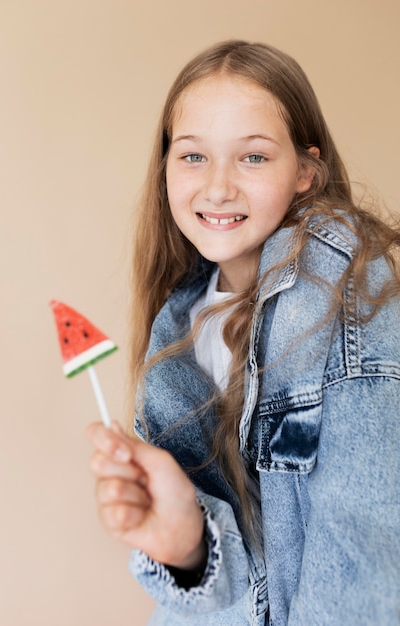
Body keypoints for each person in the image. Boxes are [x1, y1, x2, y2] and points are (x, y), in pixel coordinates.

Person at [87, 40, 400, 625]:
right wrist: (186, 549)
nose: (218, 186)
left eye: (253, 157)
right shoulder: (175, 321)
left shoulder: (348, 288)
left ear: (306, 170)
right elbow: (229, 584)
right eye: (193, 156)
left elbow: (366, 549)